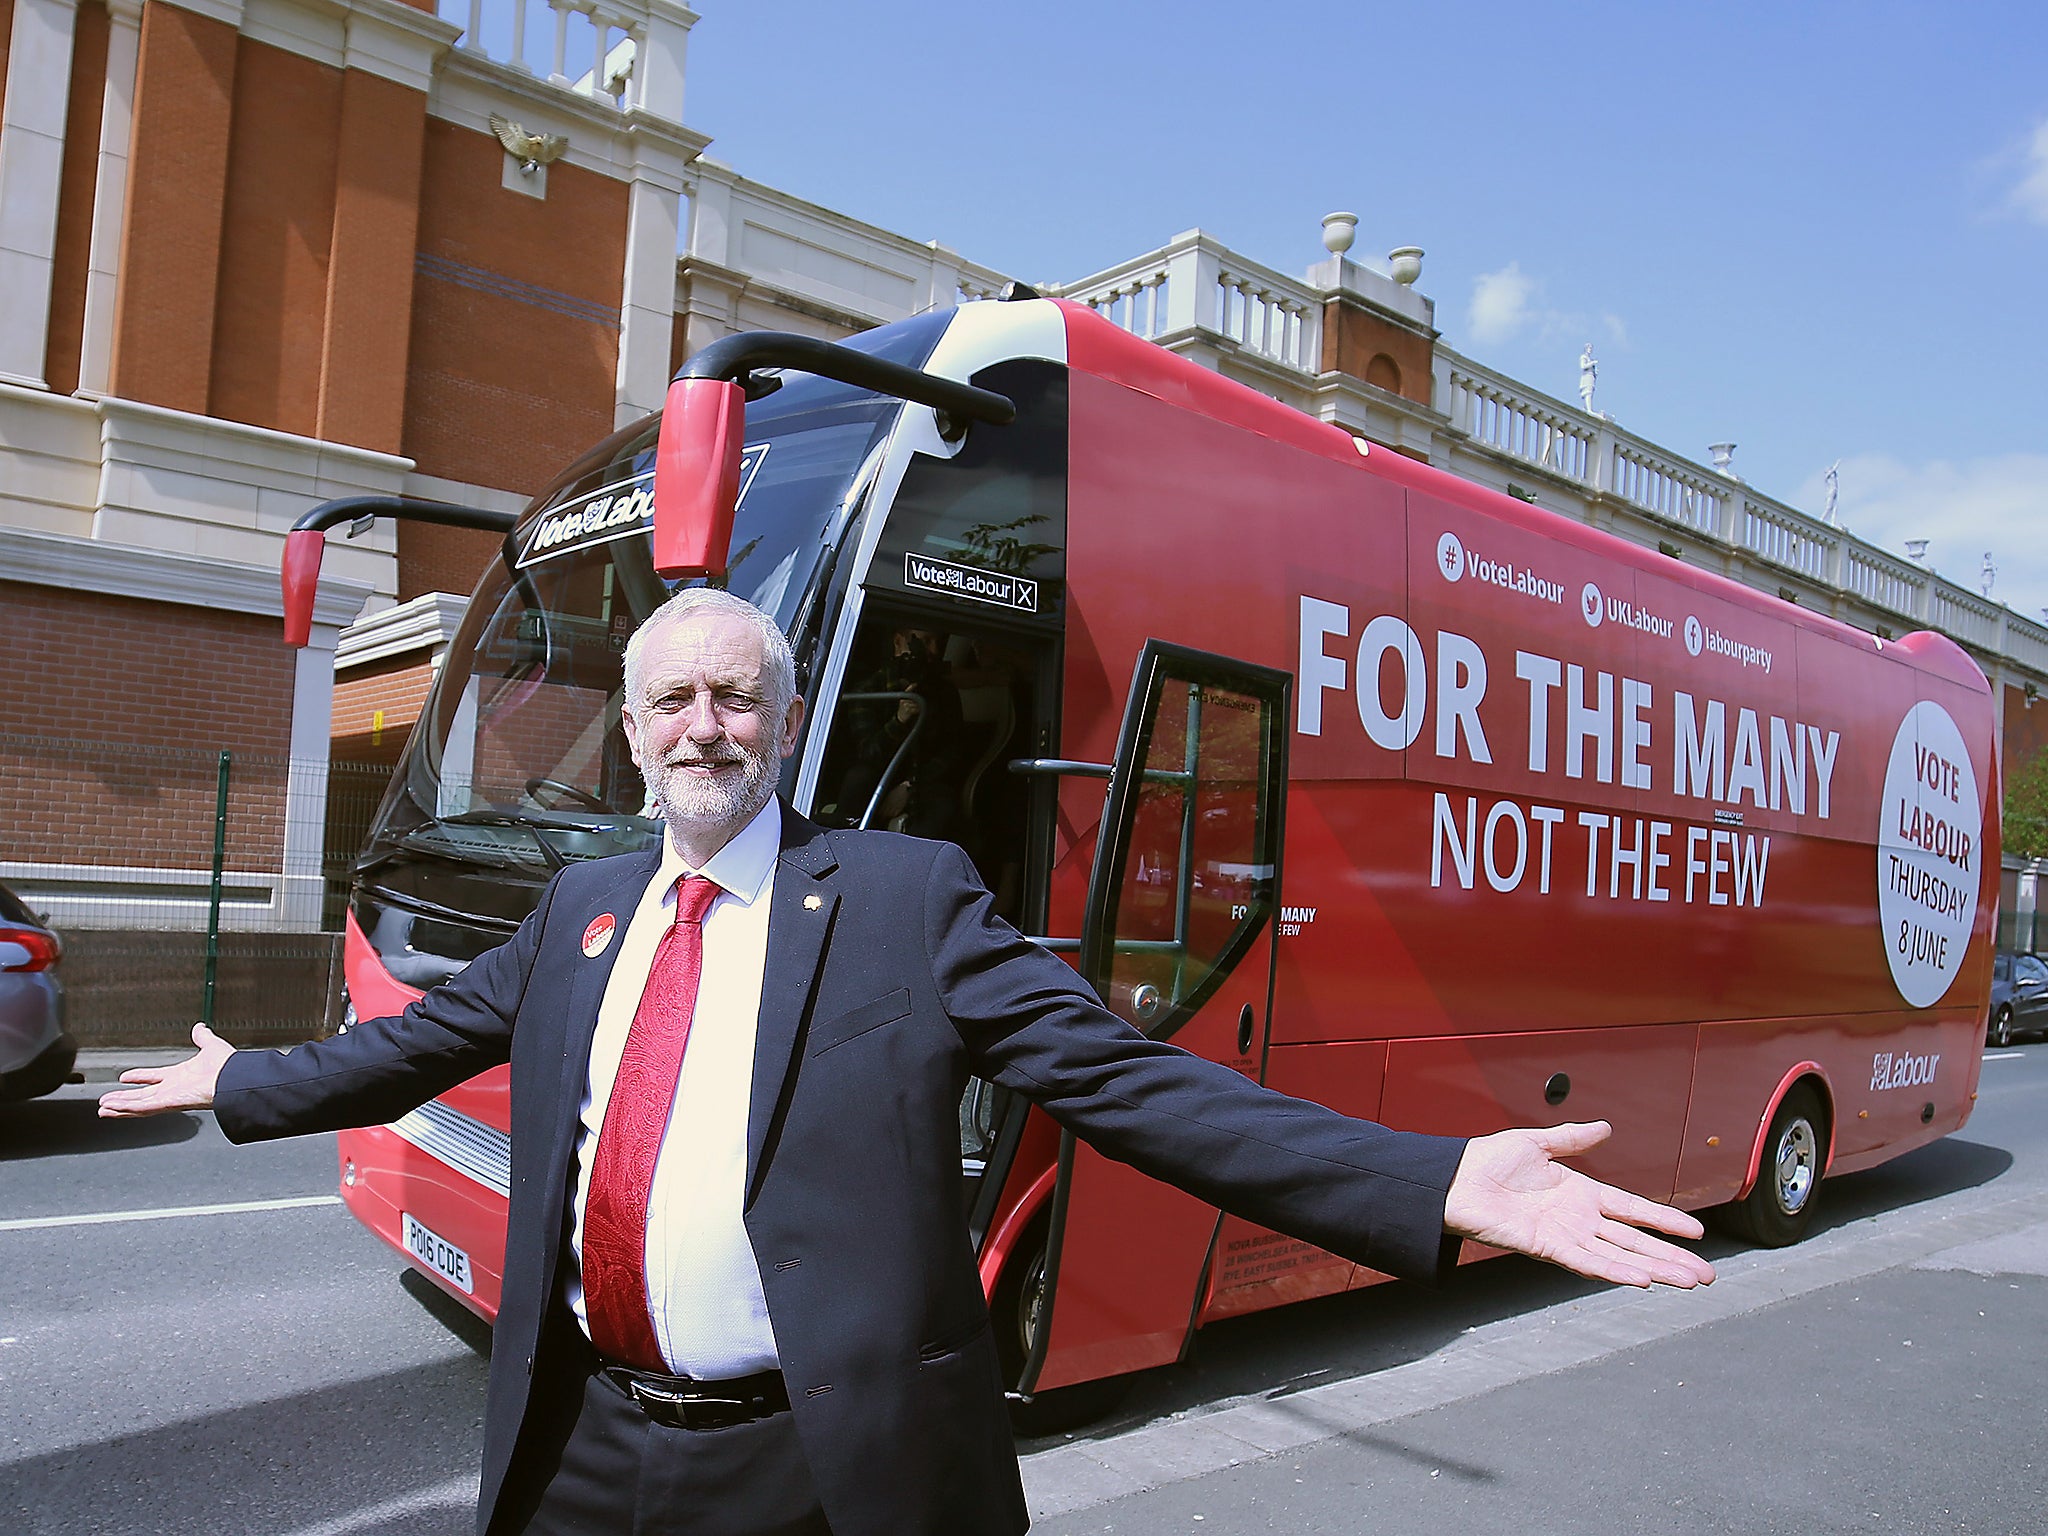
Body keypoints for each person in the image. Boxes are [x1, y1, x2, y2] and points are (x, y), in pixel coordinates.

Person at [102, 587, 1715, 1536]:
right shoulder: (581, 911)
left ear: (783, 724)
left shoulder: (901, 899)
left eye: (736, 696)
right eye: (670, 699)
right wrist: (250, 1082)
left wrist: (1431, 1178)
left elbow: (1126, 1082)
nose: (702, 726)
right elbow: (420, 1043)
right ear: (634, 727)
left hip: (818, 1463)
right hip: (580, 1443)